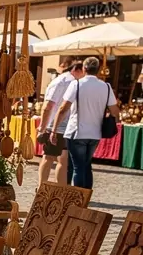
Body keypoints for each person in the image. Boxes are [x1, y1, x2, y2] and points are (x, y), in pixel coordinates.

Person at [52, 55, 119, 189]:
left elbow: (63, 108)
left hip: (77, 131)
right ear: (98, 69)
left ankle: (78, 198)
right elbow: (115, 111)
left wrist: (54, 129)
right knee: (86, 165)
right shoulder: (106, 86)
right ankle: (85, 195)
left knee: (78, 166)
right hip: (95, 133)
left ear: (84, 68)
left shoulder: (76, 84)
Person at [38, 57, 82, 189]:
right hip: (55, 126)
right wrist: (43, 127)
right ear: (76, 70)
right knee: (52, 158)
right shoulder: (63, 82)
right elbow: (48, 106)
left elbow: (48, 106)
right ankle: (44, 187)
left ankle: (52, 188)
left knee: (58, 160)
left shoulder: (67, 81)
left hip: (62, 126)